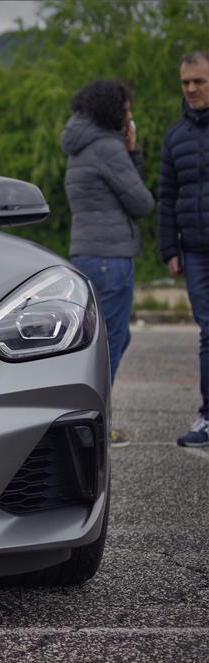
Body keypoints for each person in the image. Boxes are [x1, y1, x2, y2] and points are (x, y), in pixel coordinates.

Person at [61, 79, 155, 447]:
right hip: (111, 257)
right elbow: (142, 203)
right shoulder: (108, 148)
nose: (130, 117)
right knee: (110, 343)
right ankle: (98, 427)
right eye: (127, 110)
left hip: (86, 254)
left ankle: (85, 422)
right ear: (114, 111)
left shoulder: (78, 143)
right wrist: (133, 151)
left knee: (103, 340)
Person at [159, 50, 209, 448]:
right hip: (194, 251)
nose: (191, 88)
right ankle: (208, 417)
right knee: (208, 331)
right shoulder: (174, 137)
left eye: (199, 81)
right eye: (186, 82)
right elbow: (167, 195)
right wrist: (169, 249)